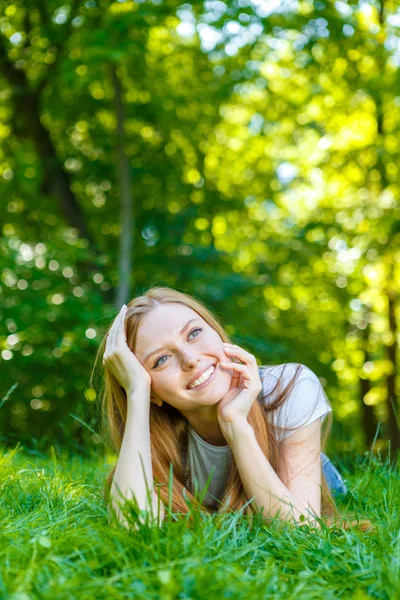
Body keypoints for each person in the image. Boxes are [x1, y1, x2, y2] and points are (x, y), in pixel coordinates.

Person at [94, 286, 350, 531]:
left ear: (216, 331)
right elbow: (133, 528)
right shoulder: (158, 436)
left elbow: (302, 531)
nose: (191, 359)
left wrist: (235, 424)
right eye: (161, 360)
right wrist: (137, 393)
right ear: (151, 391)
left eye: (194, 333)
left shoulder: (288, 386)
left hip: (303, 465)